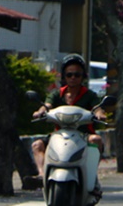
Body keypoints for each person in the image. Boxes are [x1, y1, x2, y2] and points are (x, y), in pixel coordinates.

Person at [29, 55, 106, 183]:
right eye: (69, 75)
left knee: (96, 139)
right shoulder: (56, 94)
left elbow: (98, 108)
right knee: (37, 145)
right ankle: (42, 176)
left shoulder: (90, 95)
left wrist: (100, 114)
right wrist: (39, 112)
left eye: (77, 75)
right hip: (59, 134)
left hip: (83, 134)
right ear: (64, 76)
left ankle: (91, 176)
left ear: (83, 76)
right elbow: (47, 106)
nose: (73, 78)